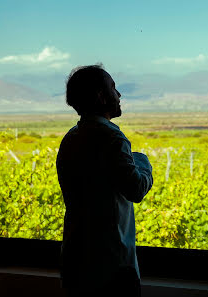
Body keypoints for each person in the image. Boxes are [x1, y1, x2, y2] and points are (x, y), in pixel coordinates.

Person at [56, 64, 153, 296]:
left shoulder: (70, 138)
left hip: (76, 261)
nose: (119, 95)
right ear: (101, 97)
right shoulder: (111, 138)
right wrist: (142, 160)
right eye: (113, 88)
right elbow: (136, 189)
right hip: (112, 267)